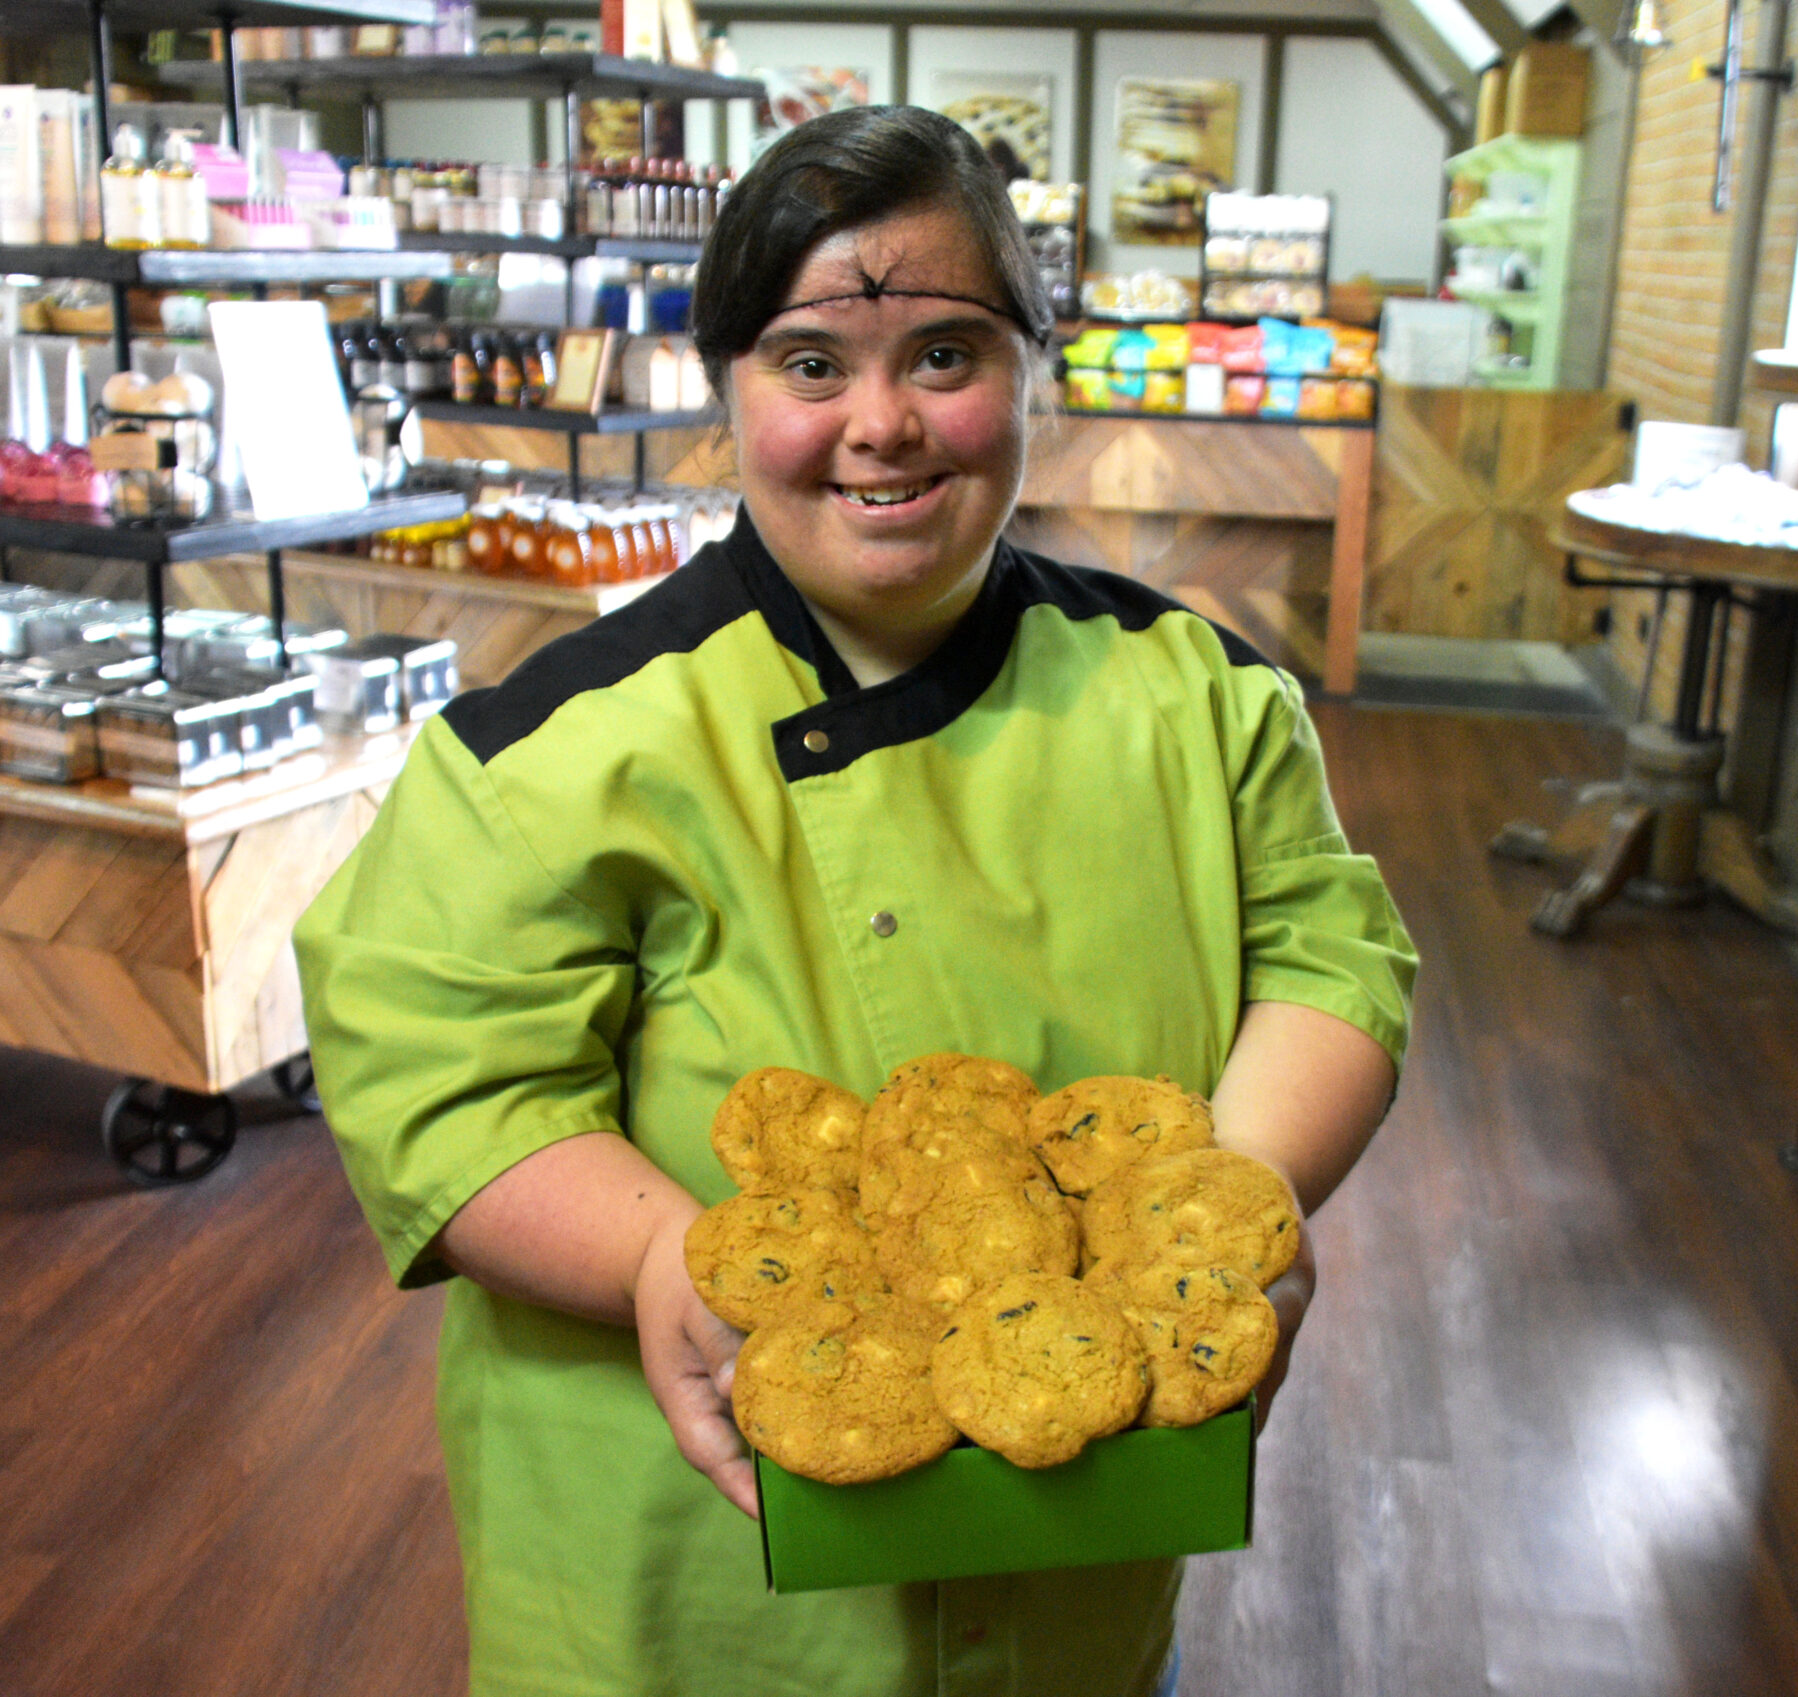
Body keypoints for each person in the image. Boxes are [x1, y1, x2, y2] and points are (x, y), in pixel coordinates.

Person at [293, 103, 1416, 1697]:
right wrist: (651, 1259)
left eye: (944, 357)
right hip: (690, 1575)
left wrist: (1227, 1218)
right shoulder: (550, 753)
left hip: (1073, 1575)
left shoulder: (1202, 701)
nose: (880, 422)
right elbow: (442, 1082)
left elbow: (1329, 954)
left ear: (1038, 366)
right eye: (812, 364)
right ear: (727, 392)